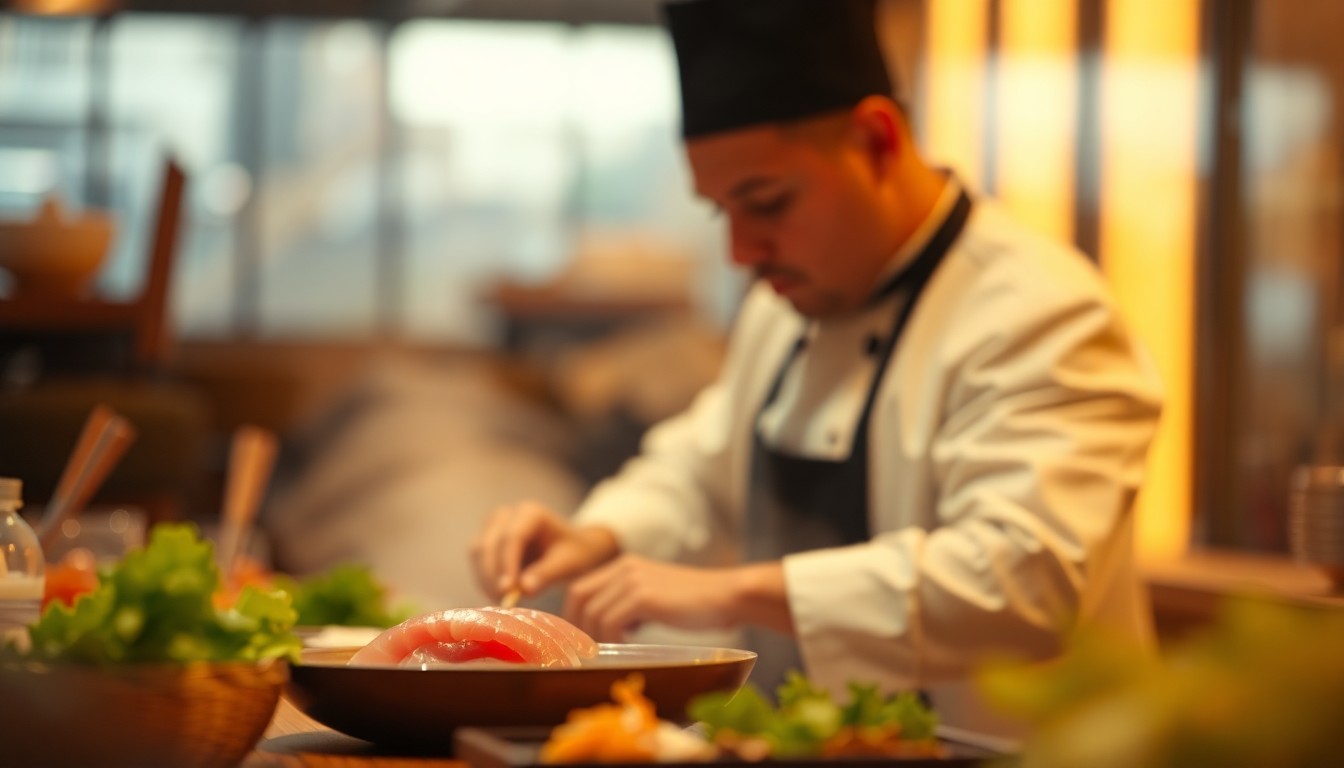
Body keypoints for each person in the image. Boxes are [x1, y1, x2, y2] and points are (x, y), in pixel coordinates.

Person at [471, 0, 1162, 739]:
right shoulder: (787, 304)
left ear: (876, 139)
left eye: (766, 203)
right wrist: (600, 534)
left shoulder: (1043, 311)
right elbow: (704, 467)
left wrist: (731, 590)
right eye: (722, 213)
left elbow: (1024, 582)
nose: (742, 252)